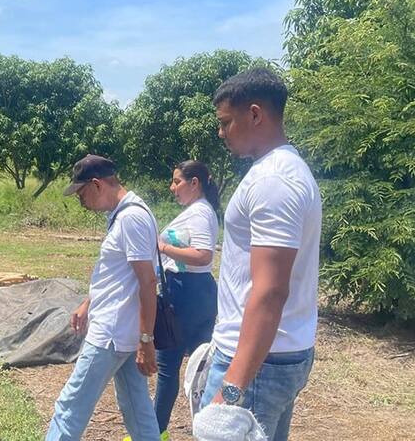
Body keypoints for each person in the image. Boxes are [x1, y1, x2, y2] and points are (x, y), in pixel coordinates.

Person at [199, 67, 322, 441]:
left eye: (226, 122)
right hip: (273, 354)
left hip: (256, 363)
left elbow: (270, 291)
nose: (221, 133)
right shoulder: (282, 171)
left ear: (255, 114)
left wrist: (232, 387)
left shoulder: (273, 181)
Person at [46, 154, 161, 441]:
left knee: (69, 409)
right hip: (125, 332)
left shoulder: (131, 217)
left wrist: (146, 340)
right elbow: (117, 275)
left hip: (111, 333)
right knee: (137, 410)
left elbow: (147, 282)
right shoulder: (124, 213)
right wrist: (88, 302)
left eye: (81, 193)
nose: (81, 202)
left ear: (97, 185)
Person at [150, 160, 219, 439]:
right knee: (200, 368)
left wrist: (162, 247)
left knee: (171, 366)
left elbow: (204, 255)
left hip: (186, 295)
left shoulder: (201, 213)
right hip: (193, 293)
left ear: (195, 183)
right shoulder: (197, 210)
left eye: (177, 181)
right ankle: (207, 430)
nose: (172, 187)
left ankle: (154, 433)